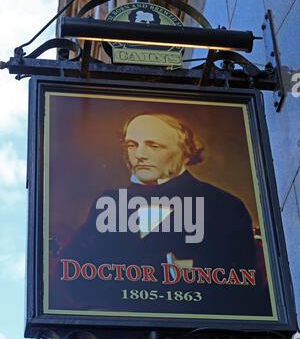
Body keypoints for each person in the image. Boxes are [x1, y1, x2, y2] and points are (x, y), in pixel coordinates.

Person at [50, 113, 272, 317]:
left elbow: (237, 284)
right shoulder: (108, 204)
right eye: (131, 145)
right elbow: (72, 274)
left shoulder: (223, 205)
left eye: (153, 146)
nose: (140, 155)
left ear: (185, 151)